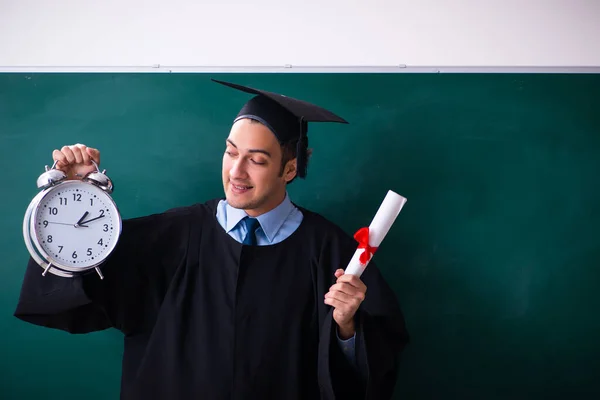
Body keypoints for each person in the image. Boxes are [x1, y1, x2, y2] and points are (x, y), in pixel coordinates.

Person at [15, 79, 409, 400]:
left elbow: (369, 371)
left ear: (290, 168)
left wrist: (346, 325)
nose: (236, 171)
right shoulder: (169, 237)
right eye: (230, 152)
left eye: (256, 160)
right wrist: (73, 195)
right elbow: (76, 283)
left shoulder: (330, 252)